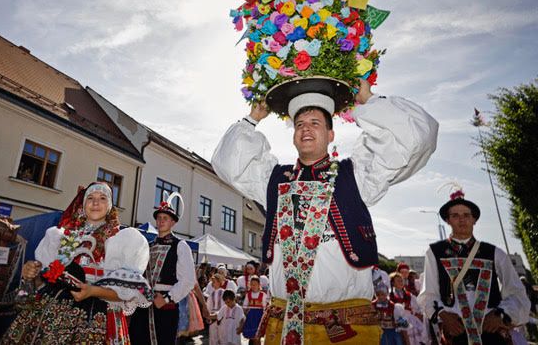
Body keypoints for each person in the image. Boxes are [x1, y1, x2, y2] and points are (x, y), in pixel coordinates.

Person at [212, 79, 438, 344]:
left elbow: (416, 139)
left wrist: (370, 100)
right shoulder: (273, 180)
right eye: (299, 125)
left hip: (344, 332)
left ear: (331, 135)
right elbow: (227, 165)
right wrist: (252, 118)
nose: (306, 129)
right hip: (284, 329)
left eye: (315, 123)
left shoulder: (356, 176)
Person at [1, 182, 151, 344]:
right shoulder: (61, 236)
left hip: (96, 316)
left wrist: (92, 290)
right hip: (47, 315)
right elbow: (45, 282)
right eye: (90, 198)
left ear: (110, 206)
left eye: (102, 198)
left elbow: (126, 293)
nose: (95, 203)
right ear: (83, 204)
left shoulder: (122, 241)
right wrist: (32, 274)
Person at [418, 188, 531, 345]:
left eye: (466, 215)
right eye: (455, 216)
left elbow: (517, 292)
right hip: (456, 332)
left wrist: (499, 314)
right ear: (448, 220)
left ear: (474, 219)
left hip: (490, 331)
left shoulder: (494, 253)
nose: (461, 220)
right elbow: (428, 294)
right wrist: (444, 315)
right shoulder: (435, 252)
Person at [129, 193, 195, 345]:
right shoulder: (148, 246)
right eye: (159, 218)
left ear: (173, 222)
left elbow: (188, 280)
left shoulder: (180, 246)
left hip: (165, 306)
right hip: (143, 304)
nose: (160, 221)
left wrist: (167, 299)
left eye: (165, 218)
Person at [390, 272, 425, 345]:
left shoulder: (409, 295)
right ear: (393, 283)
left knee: (418, 340)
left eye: (401, 280)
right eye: (398, 281)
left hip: (411, 320)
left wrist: (416, 314)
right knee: (405, 340)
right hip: (398, 321)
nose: (401, 282)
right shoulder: (391, 296)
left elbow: (416, 307)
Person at [242, 276, 268, 344]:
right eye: (252, 284)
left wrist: (265, 318)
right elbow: (244, 306)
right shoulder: (248, 295)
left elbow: (265, 308)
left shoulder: (263, 295)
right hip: (250, 317)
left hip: (259, 317)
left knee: (257, 337)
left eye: (255, 284)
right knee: (251, 336)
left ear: (259, 285)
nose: (253, 286)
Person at [207, 273, 228, 345]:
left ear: (219, 282)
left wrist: (222, 314)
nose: (213, 283)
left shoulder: (223, 292)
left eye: (214, 282)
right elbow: (209, 305)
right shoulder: (211, 293)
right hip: (213, 315)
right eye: (212, 282)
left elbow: (225, 304)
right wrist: (208, 315)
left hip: (221, 315)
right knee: (213, 335)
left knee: (221, 335)